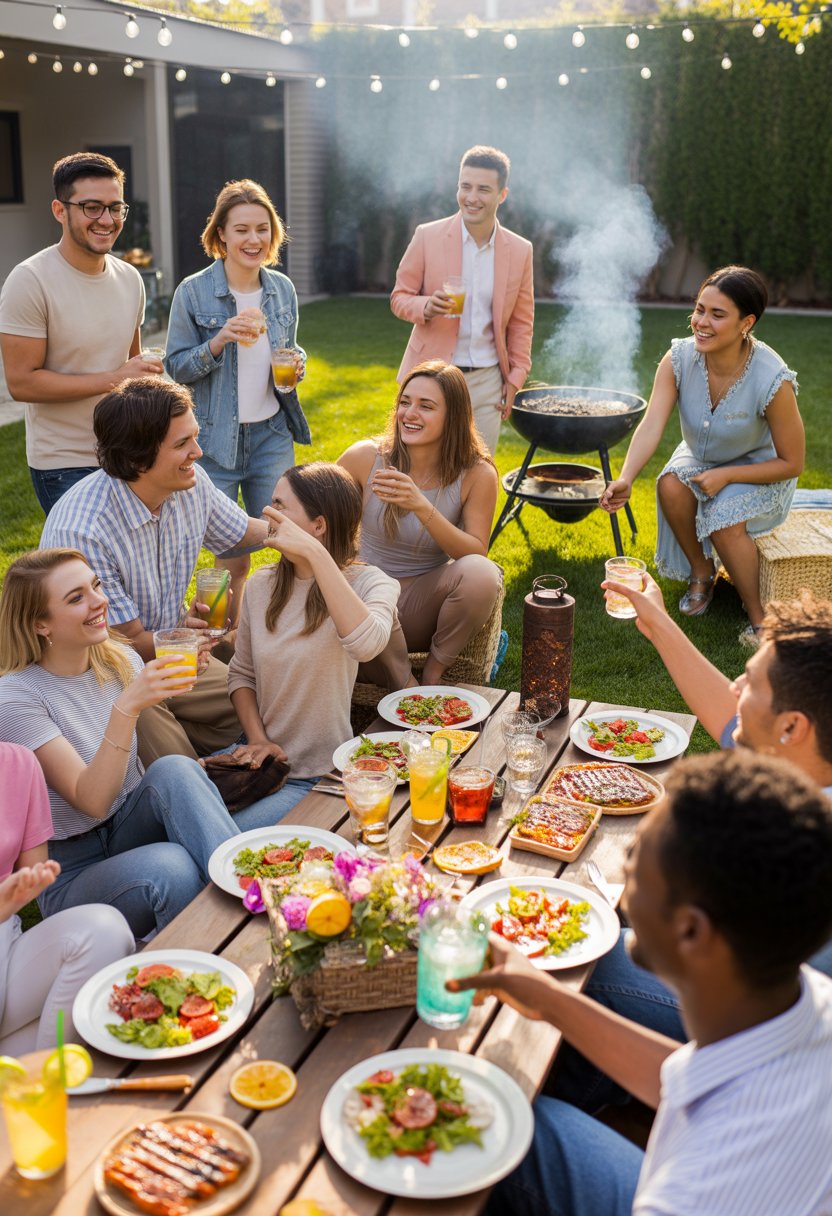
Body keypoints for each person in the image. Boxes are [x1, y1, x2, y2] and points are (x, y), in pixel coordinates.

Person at [452, 751, 832, 1216]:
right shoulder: (808, 996)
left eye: (636, 859)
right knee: (516, 1106)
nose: (625, 867)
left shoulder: (692, 1196)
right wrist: (548, 999)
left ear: (691, 930)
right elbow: (703, 1084)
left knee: (489, 1123)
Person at [552, 576, 832, 1115]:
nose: (734, 689)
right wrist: (658, 622)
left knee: (583, 955)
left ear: (792, 726)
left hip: (762, 1046)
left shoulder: (805, 841)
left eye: (748, 683)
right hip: (755, 1000)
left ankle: (560, 1090)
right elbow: (734, 724)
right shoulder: (804, 762)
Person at [0, 549, 241, 940]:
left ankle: (252, 893)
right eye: (76, 597)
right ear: (40, 624)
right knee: (172, 866)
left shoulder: (118, 658)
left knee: (176, 770)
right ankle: (207, 958)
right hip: (73, 869)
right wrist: (127, 706)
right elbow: (91, 799)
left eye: (94, 586)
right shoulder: (16, 698)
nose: (99, 601)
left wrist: (177, 672)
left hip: (128, 824)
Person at [40, 377, 278, 764]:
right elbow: (123, 643)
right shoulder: (84, 531)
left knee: (264, 712)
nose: (198, 453)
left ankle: (191, 740)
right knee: (178, 771)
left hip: (174, 657)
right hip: (108, 674)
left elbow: (241, 531)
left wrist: (305, 536)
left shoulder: (189, 483)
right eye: (182, 444)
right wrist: (185, 635)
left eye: (194, 438)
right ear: (137, 459)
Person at [600, 266, 804, 645]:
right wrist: (626, 477)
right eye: (699, 309)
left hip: (761, 467)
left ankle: (761, 621)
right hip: (700, 456)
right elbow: (652, 423)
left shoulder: (772, 377)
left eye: (717, 314)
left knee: (724, 517)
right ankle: (702, 572)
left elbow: (792, 463)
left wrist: (727, 477)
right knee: (670, 485)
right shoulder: (678, 358)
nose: (701, 323)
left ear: (747, 322)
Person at [221, 462, 400, 826]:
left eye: (280, 506)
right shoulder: (261, 585)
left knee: (230, 839)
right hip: (260, 764)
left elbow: (367, 645)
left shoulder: (372, 584)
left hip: (319, 776)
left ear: (319, 526)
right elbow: (241, 674)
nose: (268, 514)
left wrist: (316, 556)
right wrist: (258, 741)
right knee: (174, 778)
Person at [166, 179, 310, 622]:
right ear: (221, 234)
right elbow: (175, 367)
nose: (254, 240)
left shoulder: (281, 289)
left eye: (262, 229)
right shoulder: (193, 292)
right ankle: (221, 636)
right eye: (242, 229)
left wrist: (297, 361)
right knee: (232, 557)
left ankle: (293, 629)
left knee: (293, 538)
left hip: (271, 434)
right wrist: (219, 340)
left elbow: (289, 348)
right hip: (214, 442)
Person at [0, 151, 160, 515]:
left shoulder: (130, 278)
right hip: (63, 462)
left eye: (115, 208)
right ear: (60, 210)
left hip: (128, 452)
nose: (106, 219)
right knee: (85, 571)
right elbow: (22, 383)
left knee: (130, 566)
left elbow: (130, 367)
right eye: (92, 207)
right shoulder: (30, 280)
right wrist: (115, 378)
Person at [338, 360, 501, 688]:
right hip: (363, 598)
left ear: (452, 416)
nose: (409, 414)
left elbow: (475, 552)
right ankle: (393, 676)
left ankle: (432, 673)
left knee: (483, 575)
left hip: (420, 606)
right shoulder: (366, 457)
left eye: (426, 406)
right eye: (405, 402)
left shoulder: (477, 474)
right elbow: (316, 510)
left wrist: (421, 506)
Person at [390, 145, 534, 455]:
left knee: (477, 473)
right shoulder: (427, 236)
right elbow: (400, 297)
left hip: (487, 383)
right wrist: (425, 306)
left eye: (483, 189)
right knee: (420, 468)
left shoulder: (520, 250)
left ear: (502, 195)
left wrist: (515, 378)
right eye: (465, 186)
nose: (471, 197)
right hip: (431, 378)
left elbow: (522, 322)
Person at [0, 742, 134, 1053]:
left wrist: (17, 894)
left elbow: (34, 874)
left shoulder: (19, 763)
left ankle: (50, 1078)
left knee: (105, 930)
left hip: (5, 935)